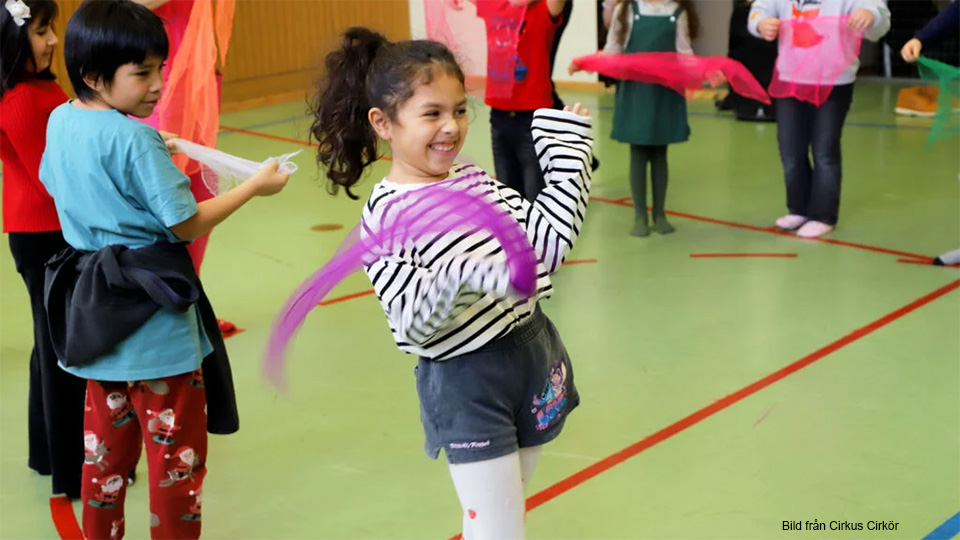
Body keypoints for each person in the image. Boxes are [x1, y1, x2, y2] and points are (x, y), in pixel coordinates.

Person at [309, 26, 592, 538]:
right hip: (468, 381)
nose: (452, 126)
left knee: (498, 516)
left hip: (532, 355)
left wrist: (568, 165)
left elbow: (544, 252)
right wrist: (460, 276)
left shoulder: (471, 177)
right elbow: (411, 324)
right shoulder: (388, 215)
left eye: (459, 109)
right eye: (432, 113)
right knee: (499, 529)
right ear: (384, 123)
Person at [39, 1, 288, 537]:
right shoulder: (136, 138)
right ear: (95, 76)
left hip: (96, 318)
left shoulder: (61, 119)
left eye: (160, 69)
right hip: (156, 327)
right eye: (144, 73)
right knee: (176, 466)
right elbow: (185, 224)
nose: (158, 84)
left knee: (104, 460)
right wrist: (253, 187)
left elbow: (59, 183)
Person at [0, 0, 86, 499]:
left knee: (49, 344)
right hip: (46, 235)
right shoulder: (22, 100)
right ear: (13, 39)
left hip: (42, 231)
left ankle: (47, 453)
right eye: (40, 31)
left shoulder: (35, 86)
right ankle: (71, 470)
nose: (53, 39)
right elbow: (55, 182)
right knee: (62, 352)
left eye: (50, 28)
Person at [749, 0, 891, 238]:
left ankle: (824, 215)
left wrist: (870, 16)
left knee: (825, 151)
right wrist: (761, 24)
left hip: (833, 81)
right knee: (790, 150)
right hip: (790, 78)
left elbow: (880, 20)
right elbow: (758, 11)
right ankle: (799, 208)